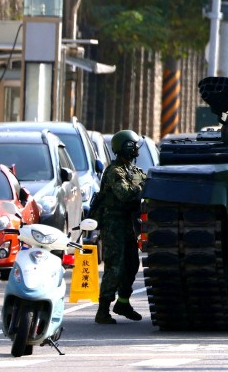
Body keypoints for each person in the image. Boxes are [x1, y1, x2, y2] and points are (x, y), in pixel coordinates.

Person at [94, 129, 147, 324]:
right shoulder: (114, 172)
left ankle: (123, 303)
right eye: (131, 145)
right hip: (113, 224)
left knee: (132, 264)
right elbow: (125, 195)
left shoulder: (133, 171)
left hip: (128, 224)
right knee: (115, 267)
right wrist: (143, 187)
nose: (135, 148)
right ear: (123, 147)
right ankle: (103, 310)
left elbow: (145, 183)